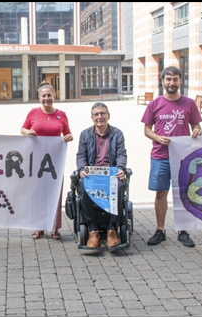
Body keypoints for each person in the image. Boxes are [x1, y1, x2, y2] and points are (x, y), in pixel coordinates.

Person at [141, 66, 202, 247]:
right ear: (162, 81)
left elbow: (196, 126)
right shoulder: (154, 104)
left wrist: (197, 130)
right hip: (160, 156)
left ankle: (183, 231)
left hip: (183, 157)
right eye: (168, 79)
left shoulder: (189, 103)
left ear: (180, 81)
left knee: (183, 193)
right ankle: (160, 230)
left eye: (175, 79)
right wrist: (157, 138)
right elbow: (146, 130)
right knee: (161, 193)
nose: (172, 82)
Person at [21, 80, 73, 240]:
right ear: (39, 98)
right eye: (43, 96)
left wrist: (69, 137)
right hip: (36, 161)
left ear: (54, 96)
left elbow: (67, 133)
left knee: (55, 194)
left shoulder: (62, 115)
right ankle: (38, 226)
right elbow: (23, 129)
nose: (46, 98)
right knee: (37, 193)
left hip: (54, 162)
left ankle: (54, 227)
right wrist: (28, 132)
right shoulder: (33, 113)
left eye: (49, 95)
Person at [76, 102, 127, 248]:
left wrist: (121, 168)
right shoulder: (85, 134)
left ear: (108, 116)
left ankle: (112, 228)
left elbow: (121, 154)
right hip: (92, 175)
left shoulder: (117, 134)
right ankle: (92, 229)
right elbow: (81, 155)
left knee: (120, 185)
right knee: (82, 185)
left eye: (102, 113)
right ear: (92, 118)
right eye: (96, 114)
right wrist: (82, 169)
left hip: (111, 174)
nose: (100, 117)